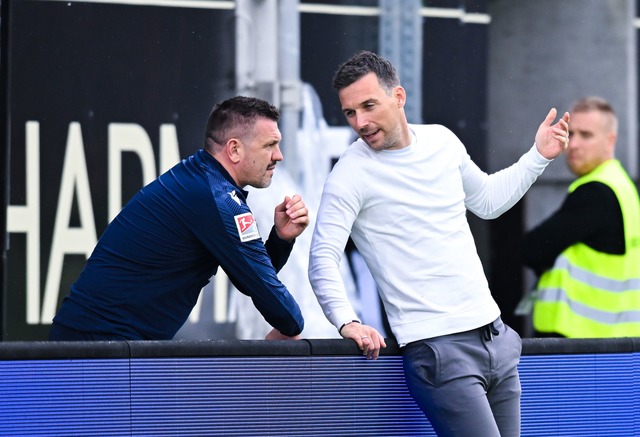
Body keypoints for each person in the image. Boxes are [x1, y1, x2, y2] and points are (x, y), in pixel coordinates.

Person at [307, 50, 569, 437]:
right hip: (438, 352)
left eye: (368, 106)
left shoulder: (443, 140)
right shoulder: (349, 174)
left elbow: (488, 202)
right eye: (350, 113)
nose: (360, 122)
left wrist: (537, 157)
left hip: (494, 336)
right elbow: (322, 256)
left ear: (398, 97)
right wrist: (347, 321)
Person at [49, 96, 308, 341]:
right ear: (234, 149)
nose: (278, 155)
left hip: (101, 343)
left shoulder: (204, 181)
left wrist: (281, 239)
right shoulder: (217, 197)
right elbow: (270, 296)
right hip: (99, 348)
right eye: (269, 145)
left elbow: (250, 279)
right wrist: (291, 325)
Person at [523, 96, 640, 338]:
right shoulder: (622, 185)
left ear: (611, 140)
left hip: (578, 346)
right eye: (570, 133)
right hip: (615, 342)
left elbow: (531, 249)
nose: (573, 144)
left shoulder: (596, 191)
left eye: (585, 135)